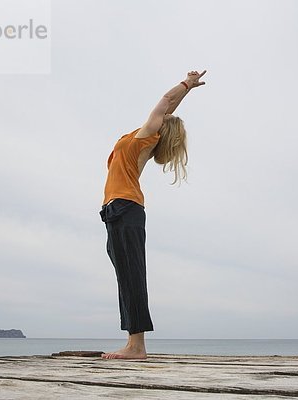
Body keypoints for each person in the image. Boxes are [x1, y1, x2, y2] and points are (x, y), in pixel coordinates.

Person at [99, 70, 207, 360]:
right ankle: (133, 343)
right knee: (126, 276)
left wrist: (186, 85)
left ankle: (137, 347)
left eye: (161, 118)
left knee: (132, 275)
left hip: (126, 208)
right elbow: (168, 106)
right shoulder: (140, 137)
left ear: (161, 127)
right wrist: (188, 90)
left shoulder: (145, 137)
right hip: (115, 211)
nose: (159, 115)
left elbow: (165, 101)